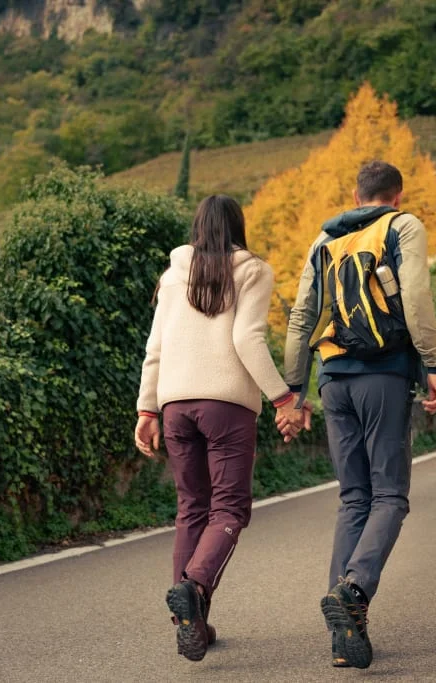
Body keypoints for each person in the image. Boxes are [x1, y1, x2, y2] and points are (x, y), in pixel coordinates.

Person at [281, 160, 436, 669]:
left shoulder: (323, 239)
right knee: (390, 496)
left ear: (356, 195)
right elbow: (416, 298)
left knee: (354, 498)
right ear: (395, 196)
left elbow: (301, 316)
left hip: (332, 379)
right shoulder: (402, 226)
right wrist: (435, 367)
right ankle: (353, 590)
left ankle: (343, 638)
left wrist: (294, 389)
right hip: (384, 374)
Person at [134, 195, 308, 662]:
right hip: (226, 405)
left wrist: (146, 410)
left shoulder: (172, 276)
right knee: (229, 509)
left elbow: (156, 346)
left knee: (192, 509)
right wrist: (283, 398)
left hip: (173, 405)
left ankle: (191, 621)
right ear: (238, 227)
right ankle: (192, 589)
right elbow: (246, 338)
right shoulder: (252, 270)